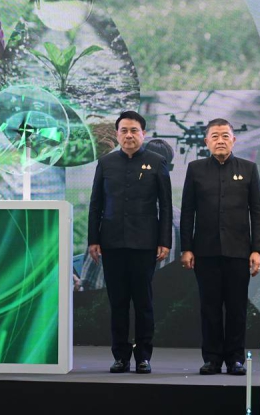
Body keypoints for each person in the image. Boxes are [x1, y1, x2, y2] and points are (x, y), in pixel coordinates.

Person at [88, 111, 173, 374]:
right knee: (118, 303)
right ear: (117, 134)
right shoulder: (106, 163)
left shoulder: (156, 162)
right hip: (112, 243)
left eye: (134, 130)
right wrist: (93, 240)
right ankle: (121, 357)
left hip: (144, 244)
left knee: (143, 303)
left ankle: (144, 356)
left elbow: (166, 205)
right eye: (124, 130)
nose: (129, 135)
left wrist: (164, 241)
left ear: (143, 134)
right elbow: (96, 204)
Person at [179, 118, 260, 376]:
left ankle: (236, 359)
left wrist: (257, 249)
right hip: (205, 252)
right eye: (214, 136)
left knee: (237, 309)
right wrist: (186, 248)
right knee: (210, 308)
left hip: (239, 251)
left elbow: (257, 212)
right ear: (206, 141)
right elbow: (187, 212)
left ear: (233, 140)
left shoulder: (248, 169)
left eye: (225, 136)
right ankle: (212, 359)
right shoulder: (195, 169)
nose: (220, 140)